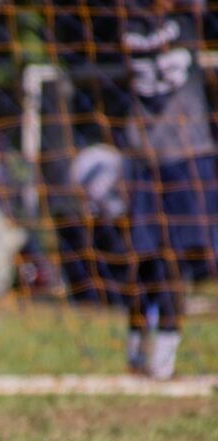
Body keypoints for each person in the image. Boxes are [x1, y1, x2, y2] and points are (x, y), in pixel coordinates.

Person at [121, 0, 216, 379]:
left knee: (174, 259)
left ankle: (159, 358)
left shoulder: (181, 18)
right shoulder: (133, 21)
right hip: (156, 154)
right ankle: (141, 355)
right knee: (150, 260)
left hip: (182, 153)